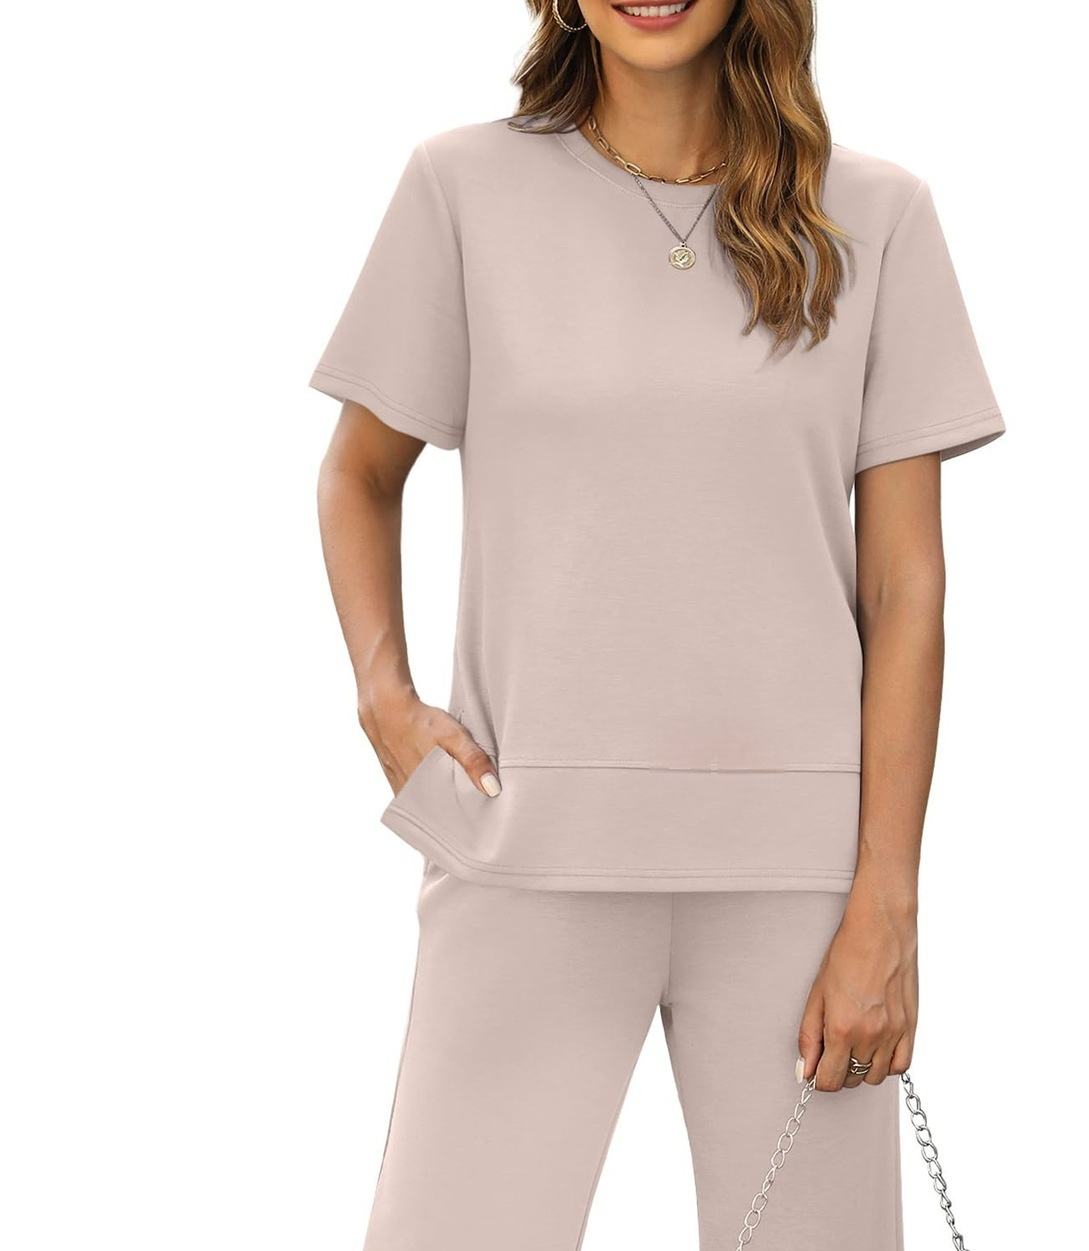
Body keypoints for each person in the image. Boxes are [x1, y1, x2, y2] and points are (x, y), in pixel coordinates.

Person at [308, 1, 1005, 1247]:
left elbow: (906, 591)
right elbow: (359, 472)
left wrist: (887, 906)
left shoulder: (878, 215)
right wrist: (384, 700)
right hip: (525, 843)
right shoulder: (460, 190)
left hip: (802, 887)